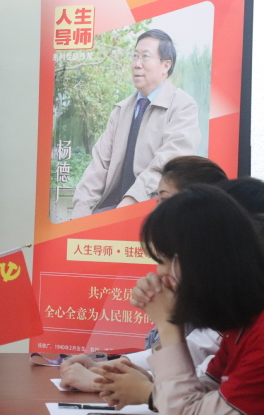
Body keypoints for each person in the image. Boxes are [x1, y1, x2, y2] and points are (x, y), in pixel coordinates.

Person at [59, 156, 226, 392]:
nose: (161, 272)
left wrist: (108, 382)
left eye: (164, 200)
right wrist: (110, 366)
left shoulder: (229, 292)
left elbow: (193, 387)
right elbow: (194, 366)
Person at [95, 185, 264, 413]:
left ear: (201, 259)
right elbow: (205, 395)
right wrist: (155, 386)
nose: (161, 272)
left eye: (166, 259)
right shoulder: (241, 327)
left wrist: (168, 323)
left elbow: (186, 410)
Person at [72, 29, 201, 219]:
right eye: (135, 56)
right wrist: (79, 214)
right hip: (115, 209)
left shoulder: (182, 106)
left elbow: (169, 165)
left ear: (165, 65)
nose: (137, 64)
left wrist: (131, 201)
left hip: (157, 211)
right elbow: (99, 166)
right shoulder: (121, 110)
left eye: (145, 56)